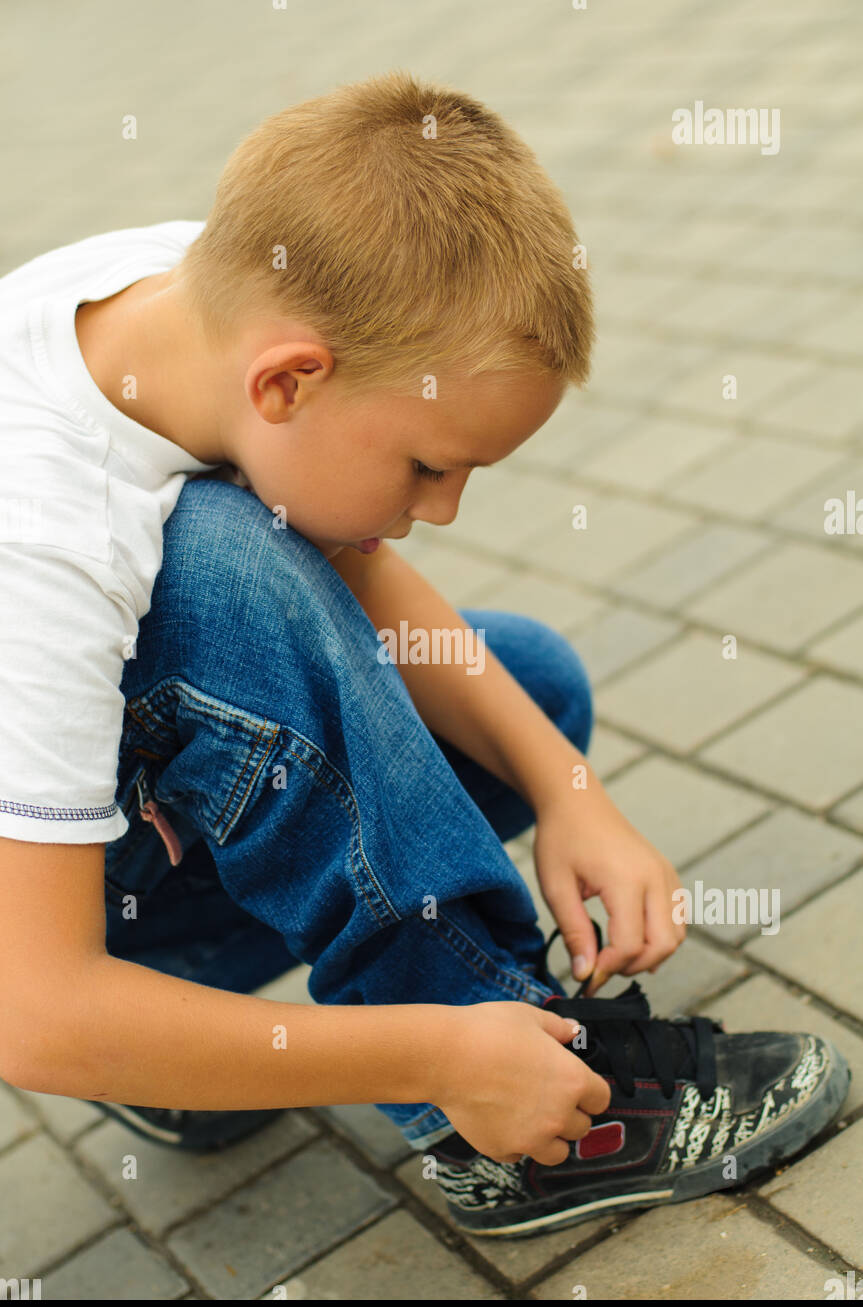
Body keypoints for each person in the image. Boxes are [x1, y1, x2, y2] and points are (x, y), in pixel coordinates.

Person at [0, 73, 847, 1238]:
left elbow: (356, 575)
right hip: (32, 929)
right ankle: (532, 1119)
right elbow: (34, 1012)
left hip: (112, 860)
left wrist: (569, 791)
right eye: (424, 467)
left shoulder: (211, 297)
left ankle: (172, 1037)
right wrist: (434, 1047)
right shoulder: (42, 536)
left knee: (524, 690)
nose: (441, 510)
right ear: (287, 380)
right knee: (219, 565)